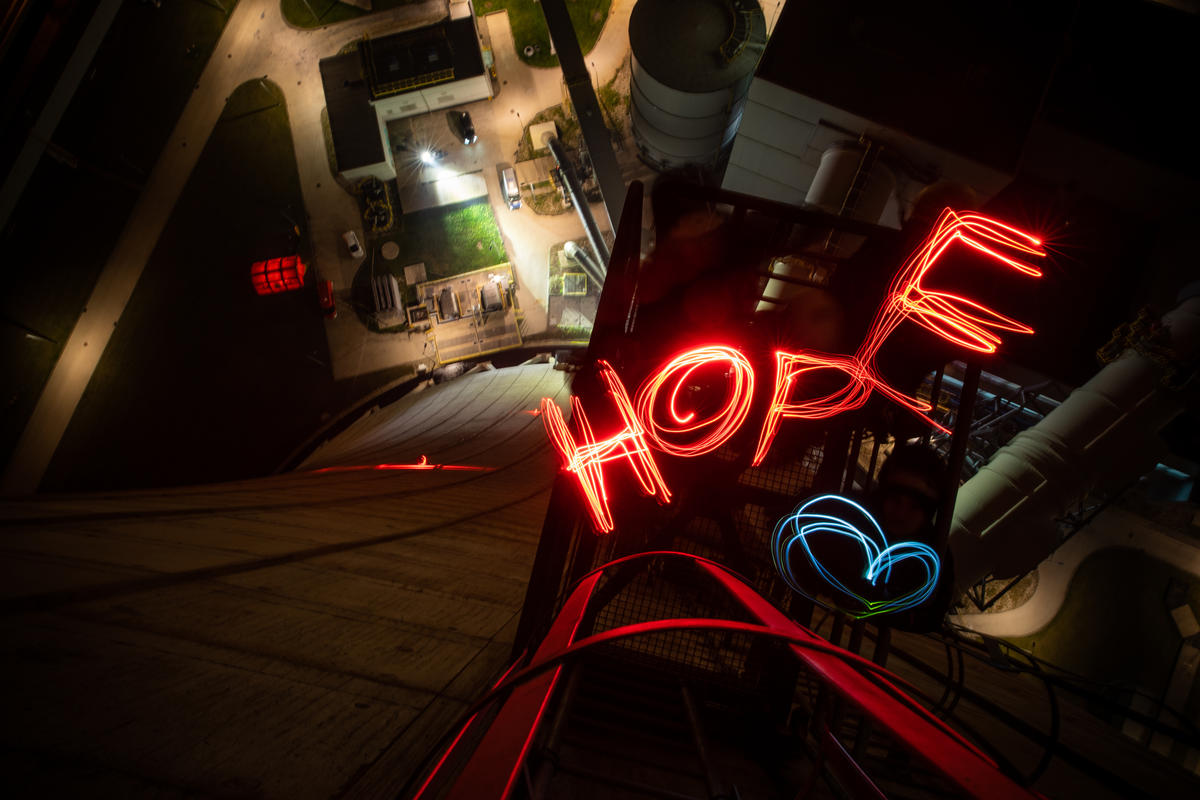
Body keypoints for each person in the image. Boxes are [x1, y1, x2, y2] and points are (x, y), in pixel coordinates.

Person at [870, 442, 957, 632]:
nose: (900, 513)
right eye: (895, 500)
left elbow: (928, 619)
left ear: (929, 513)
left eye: (914, 507)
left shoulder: (934, 561)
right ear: (882, 495)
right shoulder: (849, 518)